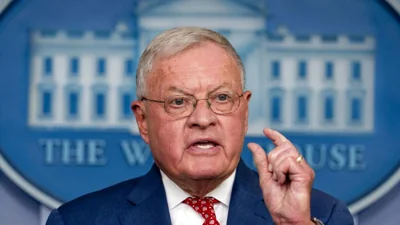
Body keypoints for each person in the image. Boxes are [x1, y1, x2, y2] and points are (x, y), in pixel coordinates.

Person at [46, 27, 354, 225]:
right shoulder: (79, 221)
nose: (203, 118)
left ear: (244, 112)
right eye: (179, 102)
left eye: (221, 98)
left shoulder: (322, 216)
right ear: (143, 120)